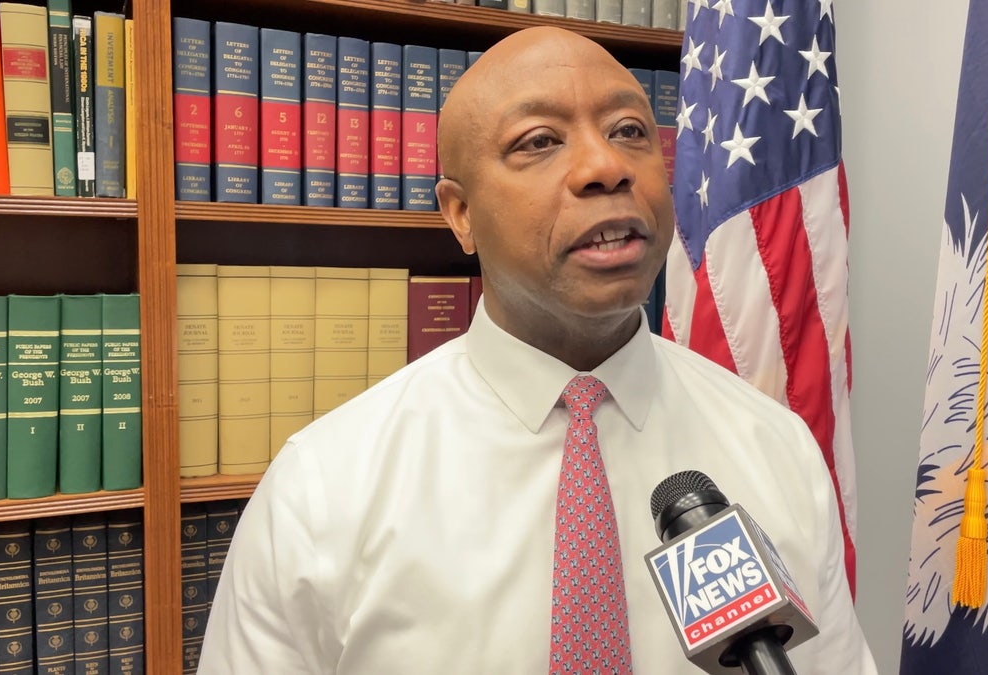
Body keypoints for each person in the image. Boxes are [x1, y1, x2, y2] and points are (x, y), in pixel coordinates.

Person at [197, 26, 876, 674]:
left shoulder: (776, 448)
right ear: (460, 213)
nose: (606, 166)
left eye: (630, 131)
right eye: (539, 141)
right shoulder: (322, 488)